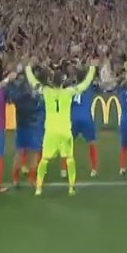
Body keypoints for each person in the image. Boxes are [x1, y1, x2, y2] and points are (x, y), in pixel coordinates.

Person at [26, 59, 98, 197]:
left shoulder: (46, 91)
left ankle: (38, 188)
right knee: (70, 158)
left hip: (51, 132)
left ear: (52, 81)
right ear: (62, 82)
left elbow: (33, 82)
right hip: (65, 131)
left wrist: (28, 68)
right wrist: (93, 69)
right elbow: (84, 85)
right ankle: (71, 188)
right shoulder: (69, 92)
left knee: (44, 160)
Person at [8, 75, 45, 188]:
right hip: (29, 125)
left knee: (24, 152)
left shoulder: (19, 93)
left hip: (26, 125)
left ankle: (19, 178)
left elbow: (11, 98)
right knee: (29, 153)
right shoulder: (33, 94)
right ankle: (28, 178)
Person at [68, 64, 102, 178]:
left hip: (74, 118)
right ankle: (94, 169)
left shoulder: (71, 89)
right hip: (86, 118)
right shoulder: (89, 86)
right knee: (91, 143)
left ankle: (64, 169)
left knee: (68, 144)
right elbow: (99, 86)